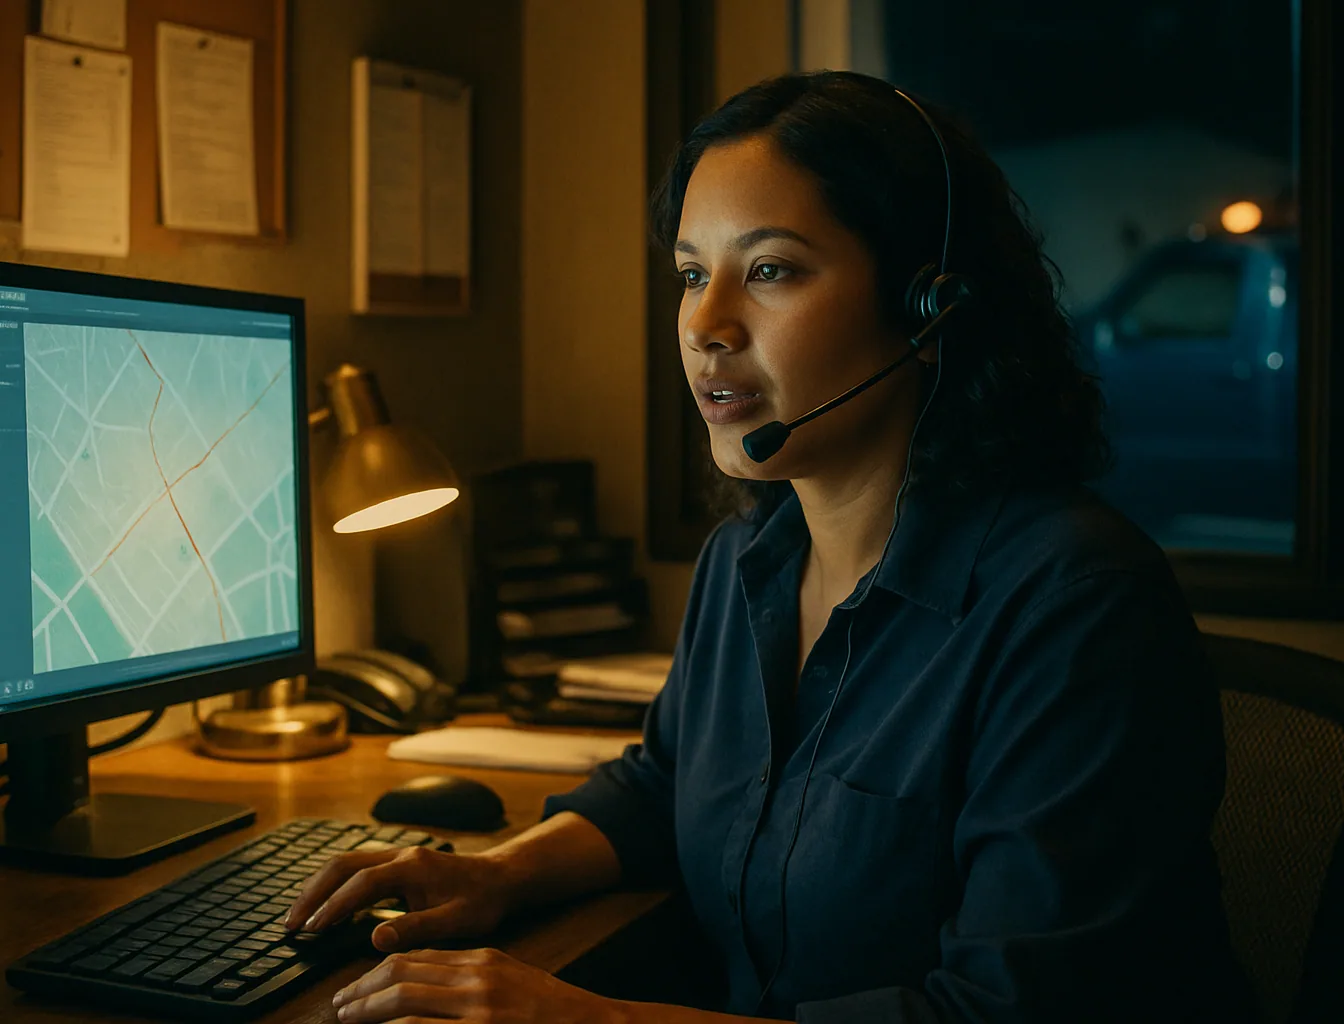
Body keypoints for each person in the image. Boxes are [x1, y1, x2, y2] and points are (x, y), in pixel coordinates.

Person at [286, 71, 1256, 1024]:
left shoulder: (1076, 605)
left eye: (771, 270)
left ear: (931, 309)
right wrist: (495, 875)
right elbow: (670, 784)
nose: (706, 327)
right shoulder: (748, 560)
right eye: (692, 274)